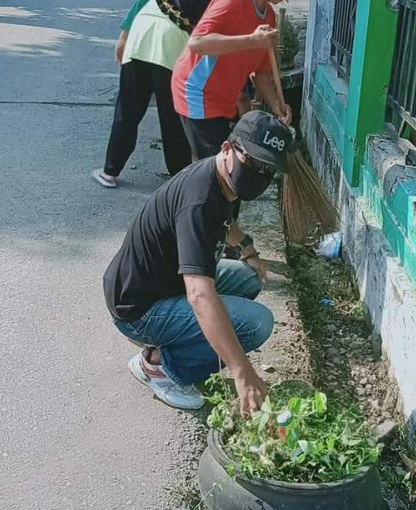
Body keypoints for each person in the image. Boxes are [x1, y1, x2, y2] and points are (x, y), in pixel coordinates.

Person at [103, 110, 294, 414]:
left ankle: (174, 344)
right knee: (257, 323)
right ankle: (160, 369)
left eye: (269, 170)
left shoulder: (223, 179)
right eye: (253, 162)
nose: (260, 174)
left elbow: (225, 220)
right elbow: (199, 294)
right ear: (228, 148)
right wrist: (242, 372)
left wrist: (247, 249)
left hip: (163, 283)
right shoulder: (200, 199)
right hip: (139, 307)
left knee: (248, 278)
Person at [93, 0, 236, 188]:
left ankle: (110, 171)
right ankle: (178, 179)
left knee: (128, 108)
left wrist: (123, 37)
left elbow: (142, 0)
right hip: (173, 46)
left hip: (140, 34)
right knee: (172, 117)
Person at [172, 0, 309, 159]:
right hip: (198, 92)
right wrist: (250, 40)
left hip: (224, 99)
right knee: (216, 171)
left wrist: (276, 105)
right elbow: (197, 43)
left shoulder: (268, 16)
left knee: (220, 168)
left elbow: (262, 73)